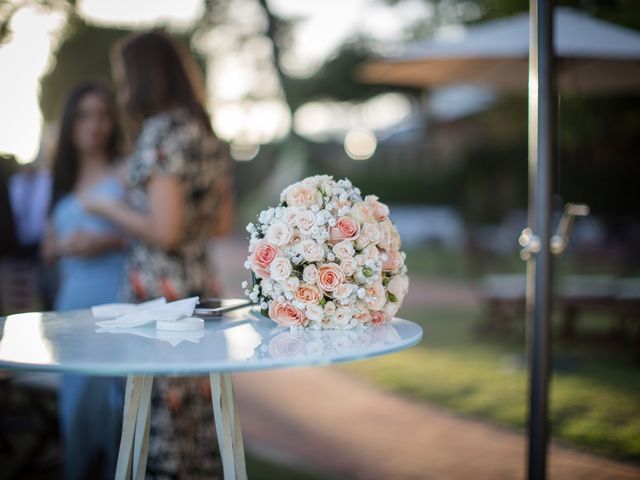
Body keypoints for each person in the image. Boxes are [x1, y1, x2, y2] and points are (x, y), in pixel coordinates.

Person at [84, 31, 231, 478]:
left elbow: (163, 232)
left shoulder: (162, 131)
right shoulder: (204, 131)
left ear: (142, 75)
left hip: (162, 297)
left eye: (124, 75)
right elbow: (221, 223)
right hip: (200, 285)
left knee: (158, 418)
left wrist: (107, 206)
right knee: (198, 416)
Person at [42, 82, 126, 480]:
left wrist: (103, 240)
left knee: (117, 409)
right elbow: (48, 248)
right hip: (73, 306)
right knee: (75, 412)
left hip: (119, 304)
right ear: (70, 123)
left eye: (103, 115)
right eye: (85, 115)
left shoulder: (125, 172)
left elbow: (152, 234)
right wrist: (64, 247)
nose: (95, 125)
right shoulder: (59, 180)